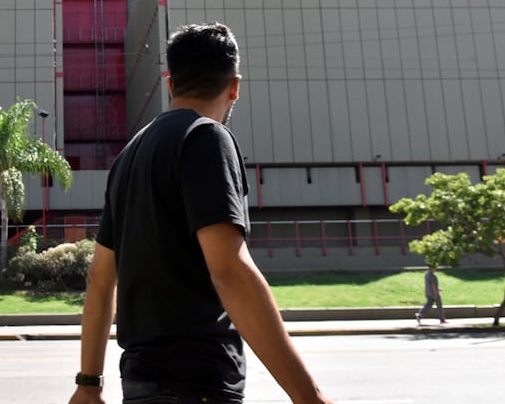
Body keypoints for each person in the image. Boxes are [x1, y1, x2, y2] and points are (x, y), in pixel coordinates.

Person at [68, 22, 333, 404]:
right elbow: (230, 271)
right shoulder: (207, 137)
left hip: (141, 384)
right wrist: (309, 396)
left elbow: (98, 278)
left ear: (170, 83)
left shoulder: (128, 157)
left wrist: (88, 384)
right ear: (235, 87)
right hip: (196, 383)